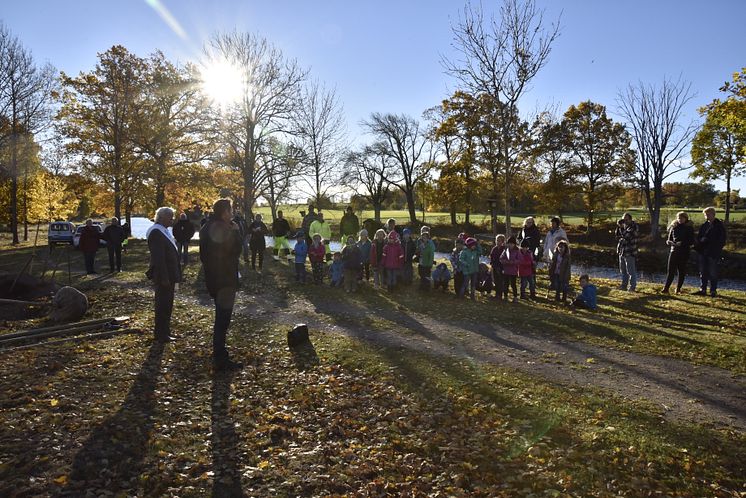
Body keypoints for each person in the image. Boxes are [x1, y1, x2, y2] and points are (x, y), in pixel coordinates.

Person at [199, 198, 243, 370]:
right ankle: (220, 358)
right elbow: (235, 250)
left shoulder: (206, 226)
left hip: (214, 278)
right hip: (224, 280)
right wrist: (236, 232)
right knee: (222, 319)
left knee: (221, 318)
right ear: (224, 212)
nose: (232, 214)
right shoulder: (223, 228)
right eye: (230, 210)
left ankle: (219, 353)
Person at [146, 207, 181, 343]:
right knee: (162, 305)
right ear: (161, 217)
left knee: (167, 304)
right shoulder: (156, 232)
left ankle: (165, 331)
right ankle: (161, 334)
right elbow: (159, 258)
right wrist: (164, 277)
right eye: (170, 217)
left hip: (169, 275)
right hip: (164, 276)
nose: (172, 220)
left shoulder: (164, 231)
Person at [694, 207, 727, 297]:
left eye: (708, 214)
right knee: (703, 271)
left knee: (713, 272)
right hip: (703, 251)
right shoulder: (704, 225)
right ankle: (703, 289)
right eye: (705, 214)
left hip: (713, 252)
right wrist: (700, 242)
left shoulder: (719, 226)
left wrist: (714, 247)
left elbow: (722, 240)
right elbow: (699, 238)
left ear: (713, 214)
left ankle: (713, 290)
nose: (706, 216)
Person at [662, 211, 695, 294]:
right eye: (678, 218)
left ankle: (678, 288)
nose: (680, 219)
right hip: (674, 250)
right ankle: (666, 288)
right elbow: (669, 239)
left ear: (685, 218)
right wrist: (669, 242)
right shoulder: (674, 227)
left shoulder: (689, 228)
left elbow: (691, 241)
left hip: (684, 251)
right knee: (670, 271)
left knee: (681, 270)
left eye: (682, 218)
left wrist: (682, 243)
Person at [616, 212, 639, 292]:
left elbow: (627, 237)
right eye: (623, 219)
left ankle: (632, 287)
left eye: (626, 219)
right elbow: (618, 236)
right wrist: (619, 228)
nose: (625, 221)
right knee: (623, 270)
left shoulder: (634, 226)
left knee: (631, 271)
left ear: (630, 219)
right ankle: (624, 285)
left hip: (630, 252)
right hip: (622, 251)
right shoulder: (624, 227)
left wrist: (621, 228)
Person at [500, 236, 520, 302]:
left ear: (514, 244)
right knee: (506, 284)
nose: (510, 245)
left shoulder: (517, 251)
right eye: (509, 243)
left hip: (513, 271)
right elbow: (501, 258)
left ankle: (515, 297)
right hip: (506, 270)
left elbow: (519, 260)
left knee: (513, 284)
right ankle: (505, 296)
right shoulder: (506, 250)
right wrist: (505, 262)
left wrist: (512, 262)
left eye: (512, 243)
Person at [490, 235, 506, 301]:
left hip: (501, 268)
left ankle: (500, 295)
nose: (497, 242)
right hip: (495, 266)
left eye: (499, 241)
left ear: (502, 242)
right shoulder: (494, 249)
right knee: (496, 281)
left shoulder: (504, 249)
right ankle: (497, 294)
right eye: (497, 240)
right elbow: (491, 257)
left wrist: (501, 267)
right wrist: (492, 265)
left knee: (501, 281)